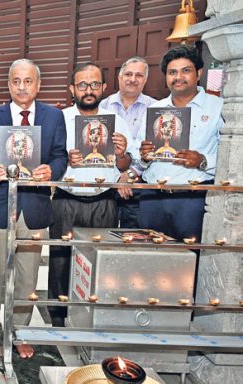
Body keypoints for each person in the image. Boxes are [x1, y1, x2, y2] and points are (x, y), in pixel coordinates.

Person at [0, 59, 67, 358]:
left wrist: (50, 171)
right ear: (9, 84)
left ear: (38, 85)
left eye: (28, 81)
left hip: (35, 207)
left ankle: (19, 333)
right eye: (16, 81)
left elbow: (59, 156)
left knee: (28, 278)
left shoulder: (54, 117)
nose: (22, 87)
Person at [48, 63, 131, 327]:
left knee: (101, 260)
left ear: (104, 88)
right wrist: (65, 158)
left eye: (94, 84)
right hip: (66, 199)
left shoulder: (116, 121)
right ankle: (58, 318)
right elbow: (49, 159)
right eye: (82, 85)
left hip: (104, 200)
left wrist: (120, 154)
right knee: (61, 261)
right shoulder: (58, 119)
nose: (88, 90)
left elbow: (125, 165)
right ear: (72, 89)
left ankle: (94, 317)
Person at [137, 45, 222, 242]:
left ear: (199, 73)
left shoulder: (218, 107)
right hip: (152, 198)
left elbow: (232, 155)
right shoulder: (155, 110)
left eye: (186, 71)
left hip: (191, 199)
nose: (178, 77)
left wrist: (202, 161)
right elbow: (138, 158)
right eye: (172, 72)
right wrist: (143, 156)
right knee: (147, 259)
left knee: (189, 259)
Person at [100, 56, 156, 228]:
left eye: (139, 75)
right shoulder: (103, 106)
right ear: (119, 77)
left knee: (133, 240)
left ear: (145, 80)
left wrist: (130, 174)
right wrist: (117, 177)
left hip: (139, 186)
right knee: (102, 239)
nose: (132, 79)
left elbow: (154, 150)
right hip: (106, 185)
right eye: (128, 74)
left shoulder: (155, 109)